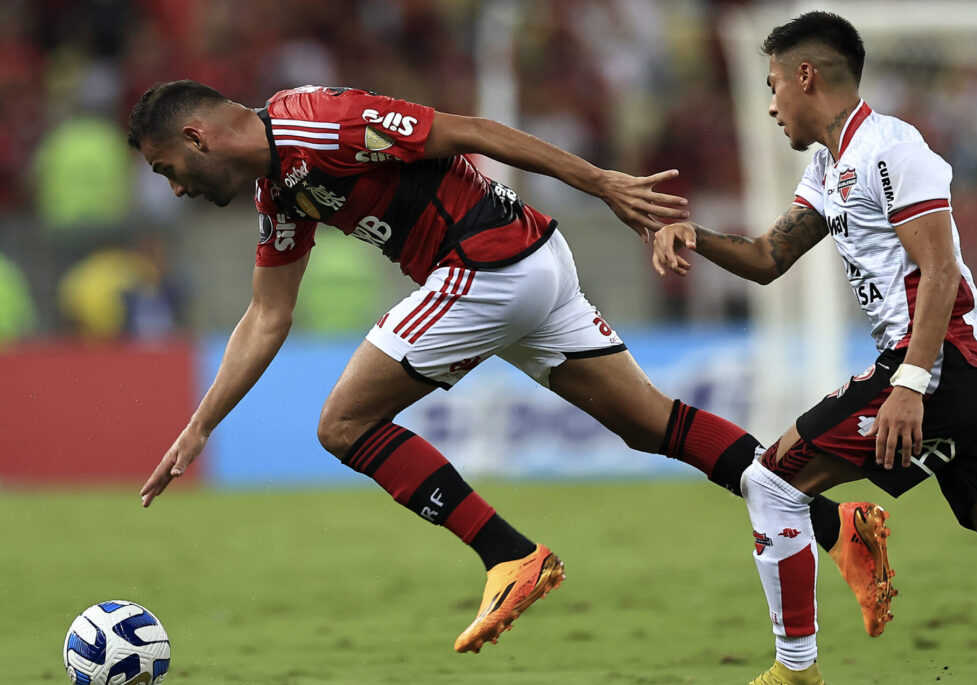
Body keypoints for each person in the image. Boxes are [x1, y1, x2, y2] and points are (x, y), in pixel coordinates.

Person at [128, 80, 891, 655]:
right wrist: (200, 427)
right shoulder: (280, 189)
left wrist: (604, 184)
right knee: (650, 424)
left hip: (489, 264)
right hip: (528, 263)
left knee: (344, 423)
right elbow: (268, 313)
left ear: (197, 136)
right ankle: (836, 521)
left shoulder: (319, 120)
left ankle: (510, 555)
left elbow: (474, 131)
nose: (174, 188)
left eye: (169, 167)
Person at [652, 12, 977, 685]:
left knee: (771, 483)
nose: (769, 105)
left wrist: (909, 384)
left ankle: (795, 670)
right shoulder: (831, 165)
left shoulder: (891, 147)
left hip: (937, 365)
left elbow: (938, 269)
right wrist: (690, 233)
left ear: (806, 77)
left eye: (773, 86)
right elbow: (768, 256)